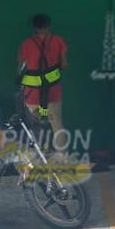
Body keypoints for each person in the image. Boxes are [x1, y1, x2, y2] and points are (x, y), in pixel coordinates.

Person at [18, 13, 68, 151]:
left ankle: (38, 155)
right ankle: (61, 156)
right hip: (52, 91)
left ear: (33, 26)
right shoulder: (58, 41)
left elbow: (21, 67)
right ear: (49, 25)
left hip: (32, 93)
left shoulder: (26, 44)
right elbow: (64, 65)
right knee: (56, 124)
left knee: (35, 125)